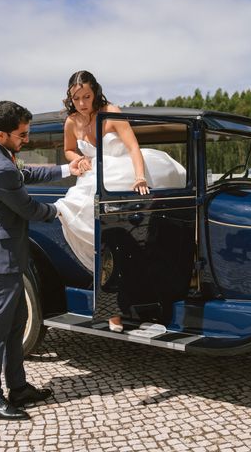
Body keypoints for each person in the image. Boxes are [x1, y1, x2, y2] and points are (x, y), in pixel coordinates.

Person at [0, 100, 85, 421]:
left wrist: (67, 169)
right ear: (3, 134)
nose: (27, 139)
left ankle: (18, 388)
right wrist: (63, 210)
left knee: (17, 323)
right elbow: (30, 209)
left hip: (6, 253)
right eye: (22, 135)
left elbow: (26, 171)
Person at [55, 71, 186, 333]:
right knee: (79, 216)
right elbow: (69, 149)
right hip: (96, 176)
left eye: (87, 96)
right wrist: (79, 160)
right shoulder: (71, 122)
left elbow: (133, 147)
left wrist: (140, 176)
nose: (82, 103)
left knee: (133, 239)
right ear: (71, 97)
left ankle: (138, 301)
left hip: (125, 171)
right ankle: (111, 303)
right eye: (77, 98)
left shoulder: (111, 112)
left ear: (96, 92)